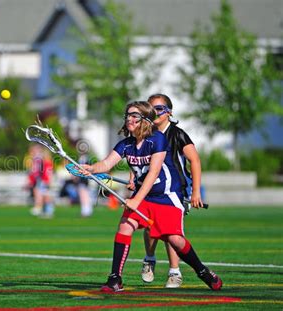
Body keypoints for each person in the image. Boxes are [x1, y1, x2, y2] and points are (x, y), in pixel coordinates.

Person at [80, 100, 222, 292]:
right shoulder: (126, 144)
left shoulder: (158, 140)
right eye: (127, 115)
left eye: (134, 115)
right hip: (144, 197)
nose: (129, 118)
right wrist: (91, 169)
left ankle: (202, 271)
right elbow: (106, 164)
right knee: (125, 226)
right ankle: (115, 279)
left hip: (166, 197)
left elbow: (153, 173)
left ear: (145, 120)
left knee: (175, 239)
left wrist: (135, 200)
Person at [137, 93, 204, 288]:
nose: (154, 112)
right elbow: (138, 159)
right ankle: (149, 259)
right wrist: (134, 178)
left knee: (170, 232)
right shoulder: (145, 134)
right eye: (150, 108)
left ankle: (174, 272)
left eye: (158, 108)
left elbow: (195, 160)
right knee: (149, 226)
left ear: (169, 112)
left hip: (175, 191)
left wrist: (196, 192)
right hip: (150, 188)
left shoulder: (177, 134)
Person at [26, 144, 55, 218]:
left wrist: (49, 181)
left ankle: (47, 211)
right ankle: (45, 210)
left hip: (45, 181)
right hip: (43, 180)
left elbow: (49, 173)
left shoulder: (48, 163)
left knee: (46, 196)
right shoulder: (43, 162)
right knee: (44, 195)